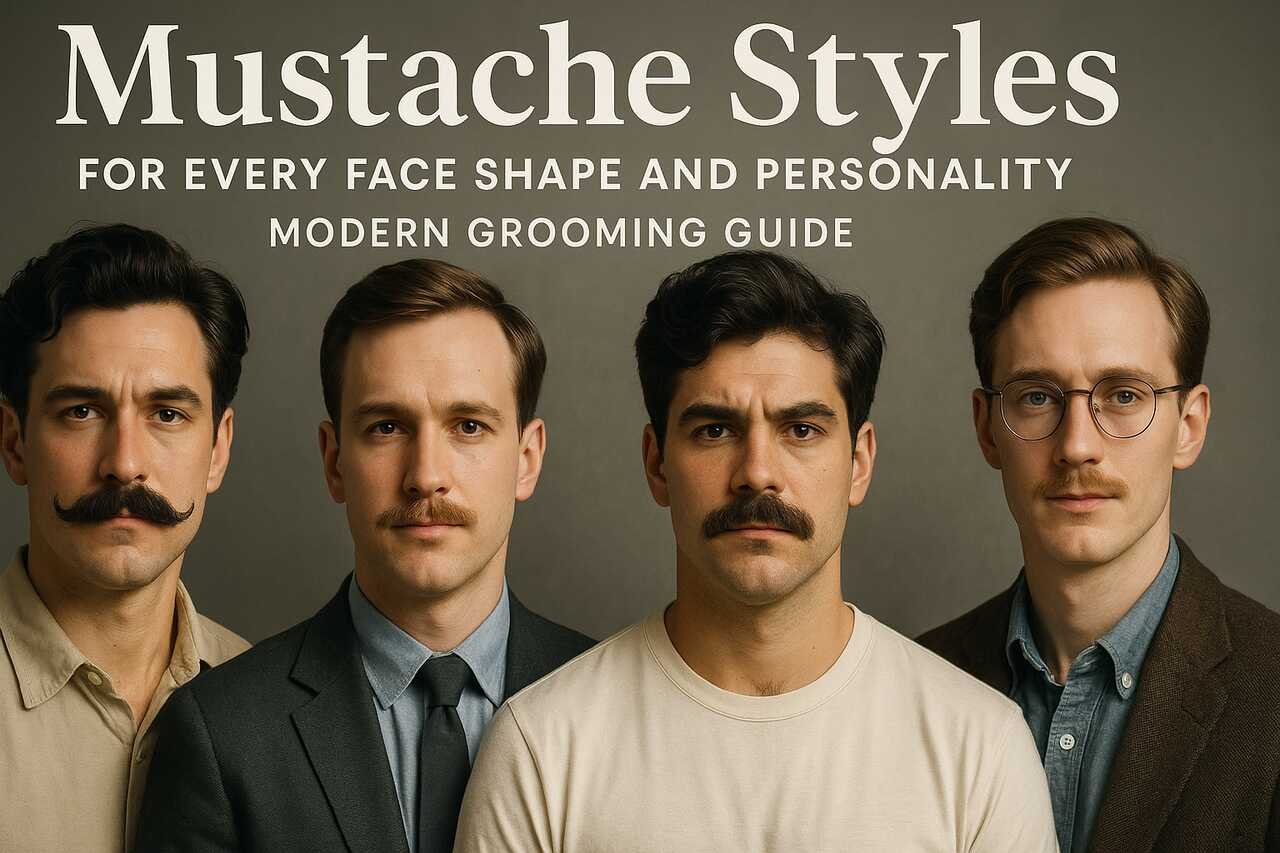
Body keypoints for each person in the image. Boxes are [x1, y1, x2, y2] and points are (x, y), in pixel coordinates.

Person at [456, 250, 1056, 852]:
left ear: (859, 462)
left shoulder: (980, 749)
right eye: (714, 430)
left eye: (802, 430)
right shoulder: (541, 749)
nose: (757, 473)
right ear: (657, 464)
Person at [135, 258, 592, 853]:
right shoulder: (221, 730)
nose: (426, 477)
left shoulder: (611, 704)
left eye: (469, 426)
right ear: (334, 461)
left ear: (527, 458)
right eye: (386, 427)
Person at [919, 217, 1280, 852]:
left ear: (1189, 426)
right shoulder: (915, 686)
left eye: (1122, 395)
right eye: (1036, 397)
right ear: (986, 429)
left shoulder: (1271, 690)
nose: (1077, 446)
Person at [0, 224, 251, 852]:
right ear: (14, 442)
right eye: (81, 411)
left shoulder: (267, 701)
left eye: (167, 414)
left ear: (218, 448)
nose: (124, 463)